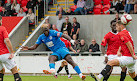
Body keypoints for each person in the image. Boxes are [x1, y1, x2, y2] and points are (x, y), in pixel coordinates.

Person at [21, 24, 86, 80]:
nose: (46, 32)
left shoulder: (53, 32)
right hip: (56, 52)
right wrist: (28, 48)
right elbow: (35, 46)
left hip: (62, 48)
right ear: (43, 31)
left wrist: (71, 40)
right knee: (51, 58)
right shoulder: (41, 37)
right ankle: (52, 70)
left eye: (47, 30)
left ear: (48, 29)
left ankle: (81, 75)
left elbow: (63, 35)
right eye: (45, 31)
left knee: (70, 60)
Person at [0, 16, 22, 81]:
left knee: (1, 71)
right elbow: (7, 40)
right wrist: (12, 52)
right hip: (4, 53)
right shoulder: (2, 28)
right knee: (14, 70)